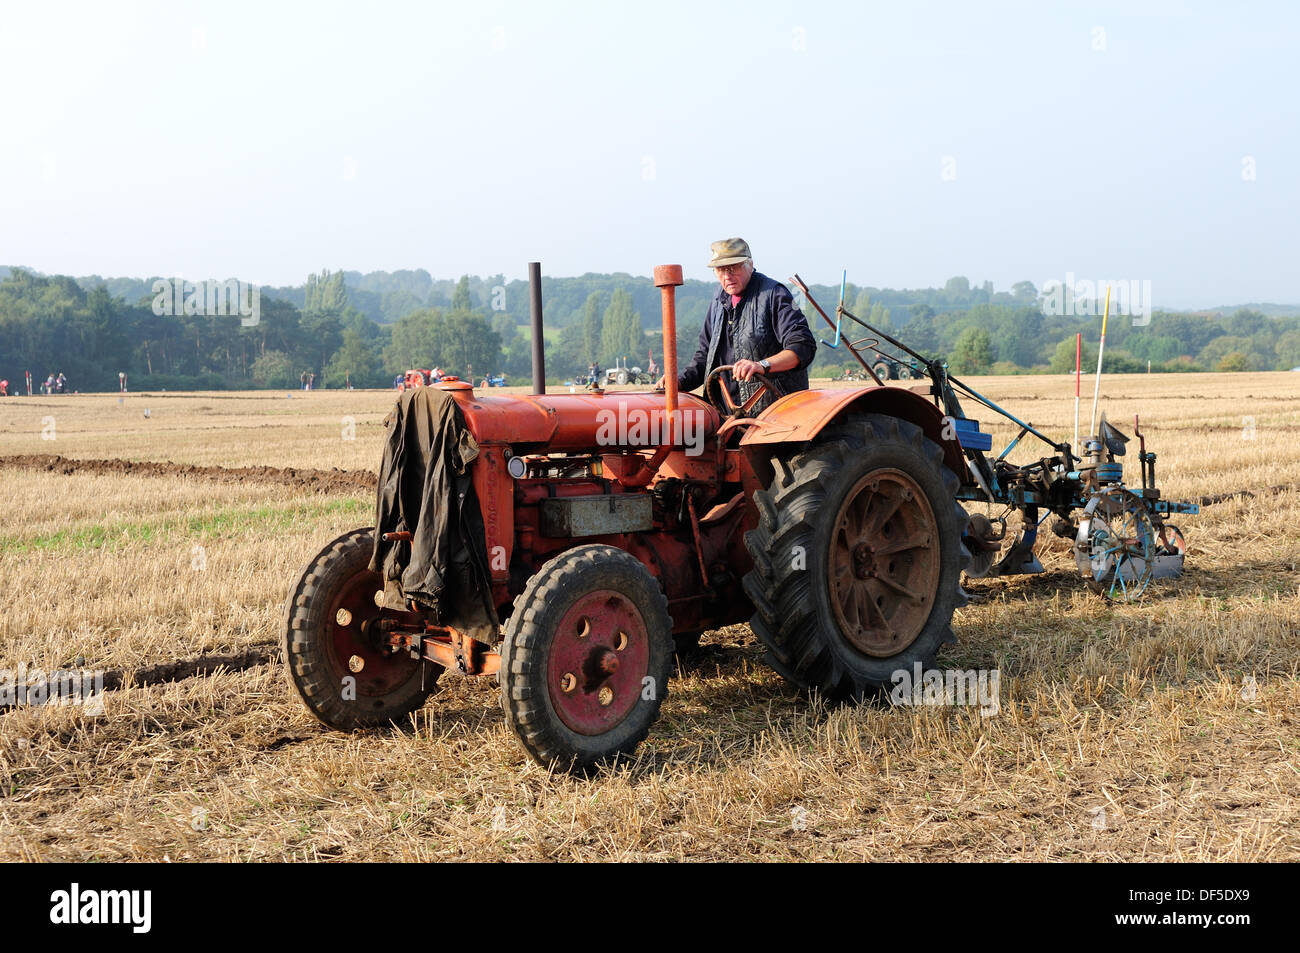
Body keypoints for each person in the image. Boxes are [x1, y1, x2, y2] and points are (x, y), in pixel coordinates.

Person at [667, 238, 815, 415]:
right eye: (720, 270)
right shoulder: (718, 300)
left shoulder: (774, 294)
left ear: (750, 265)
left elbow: (802, 347)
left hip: (771, 414)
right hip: (724, 413)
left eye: (733, 268)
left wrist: (761, 365)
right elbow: (704, 358)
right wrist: (677, 382)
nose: (727, 276)